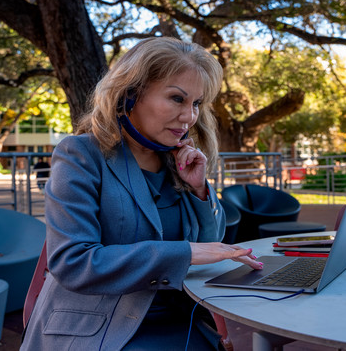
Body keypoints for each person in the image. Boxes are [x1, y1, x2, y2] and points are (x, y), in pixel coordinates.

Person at [21, 37, 263, 350]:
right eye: (177, 99)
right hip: (99, 330)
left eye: (196, 104)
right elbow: (73, 262)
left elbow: (209, 244)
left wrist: (199, 189)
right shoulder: (80, 154)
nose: (189, 116)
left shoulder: (175, 158)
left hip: (182, 319)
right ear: (131, 94)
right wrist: (183, 254)